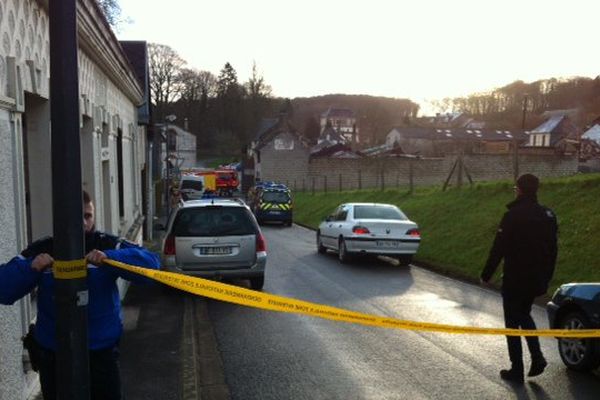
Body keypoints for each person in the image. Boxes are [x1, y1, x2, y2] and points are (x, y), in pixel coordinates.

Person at [0, 190, 160, 400]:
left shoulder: (106, 244)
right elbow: (4, 289)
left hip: (100, 355)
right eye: (78, 217)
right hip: (55, 357)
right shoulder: (43, 248)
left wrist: (110, 258)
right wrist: (32, 268)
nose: (84, 223)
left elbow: (152, 267)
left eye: (88, 216)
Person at [480, 173, 558, 384]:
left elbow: (499, 248)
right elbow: (553, 250)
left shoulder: (513, 215)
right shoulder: (548, 215)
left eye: (516, 188)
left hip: (516, 277)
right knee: (524, 314)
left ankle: (518, 368)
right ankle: (537, 357)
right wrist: (547, 277)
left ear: (520, 189)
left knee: (512, 322)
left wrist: (486, 274)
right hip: (537, 278)